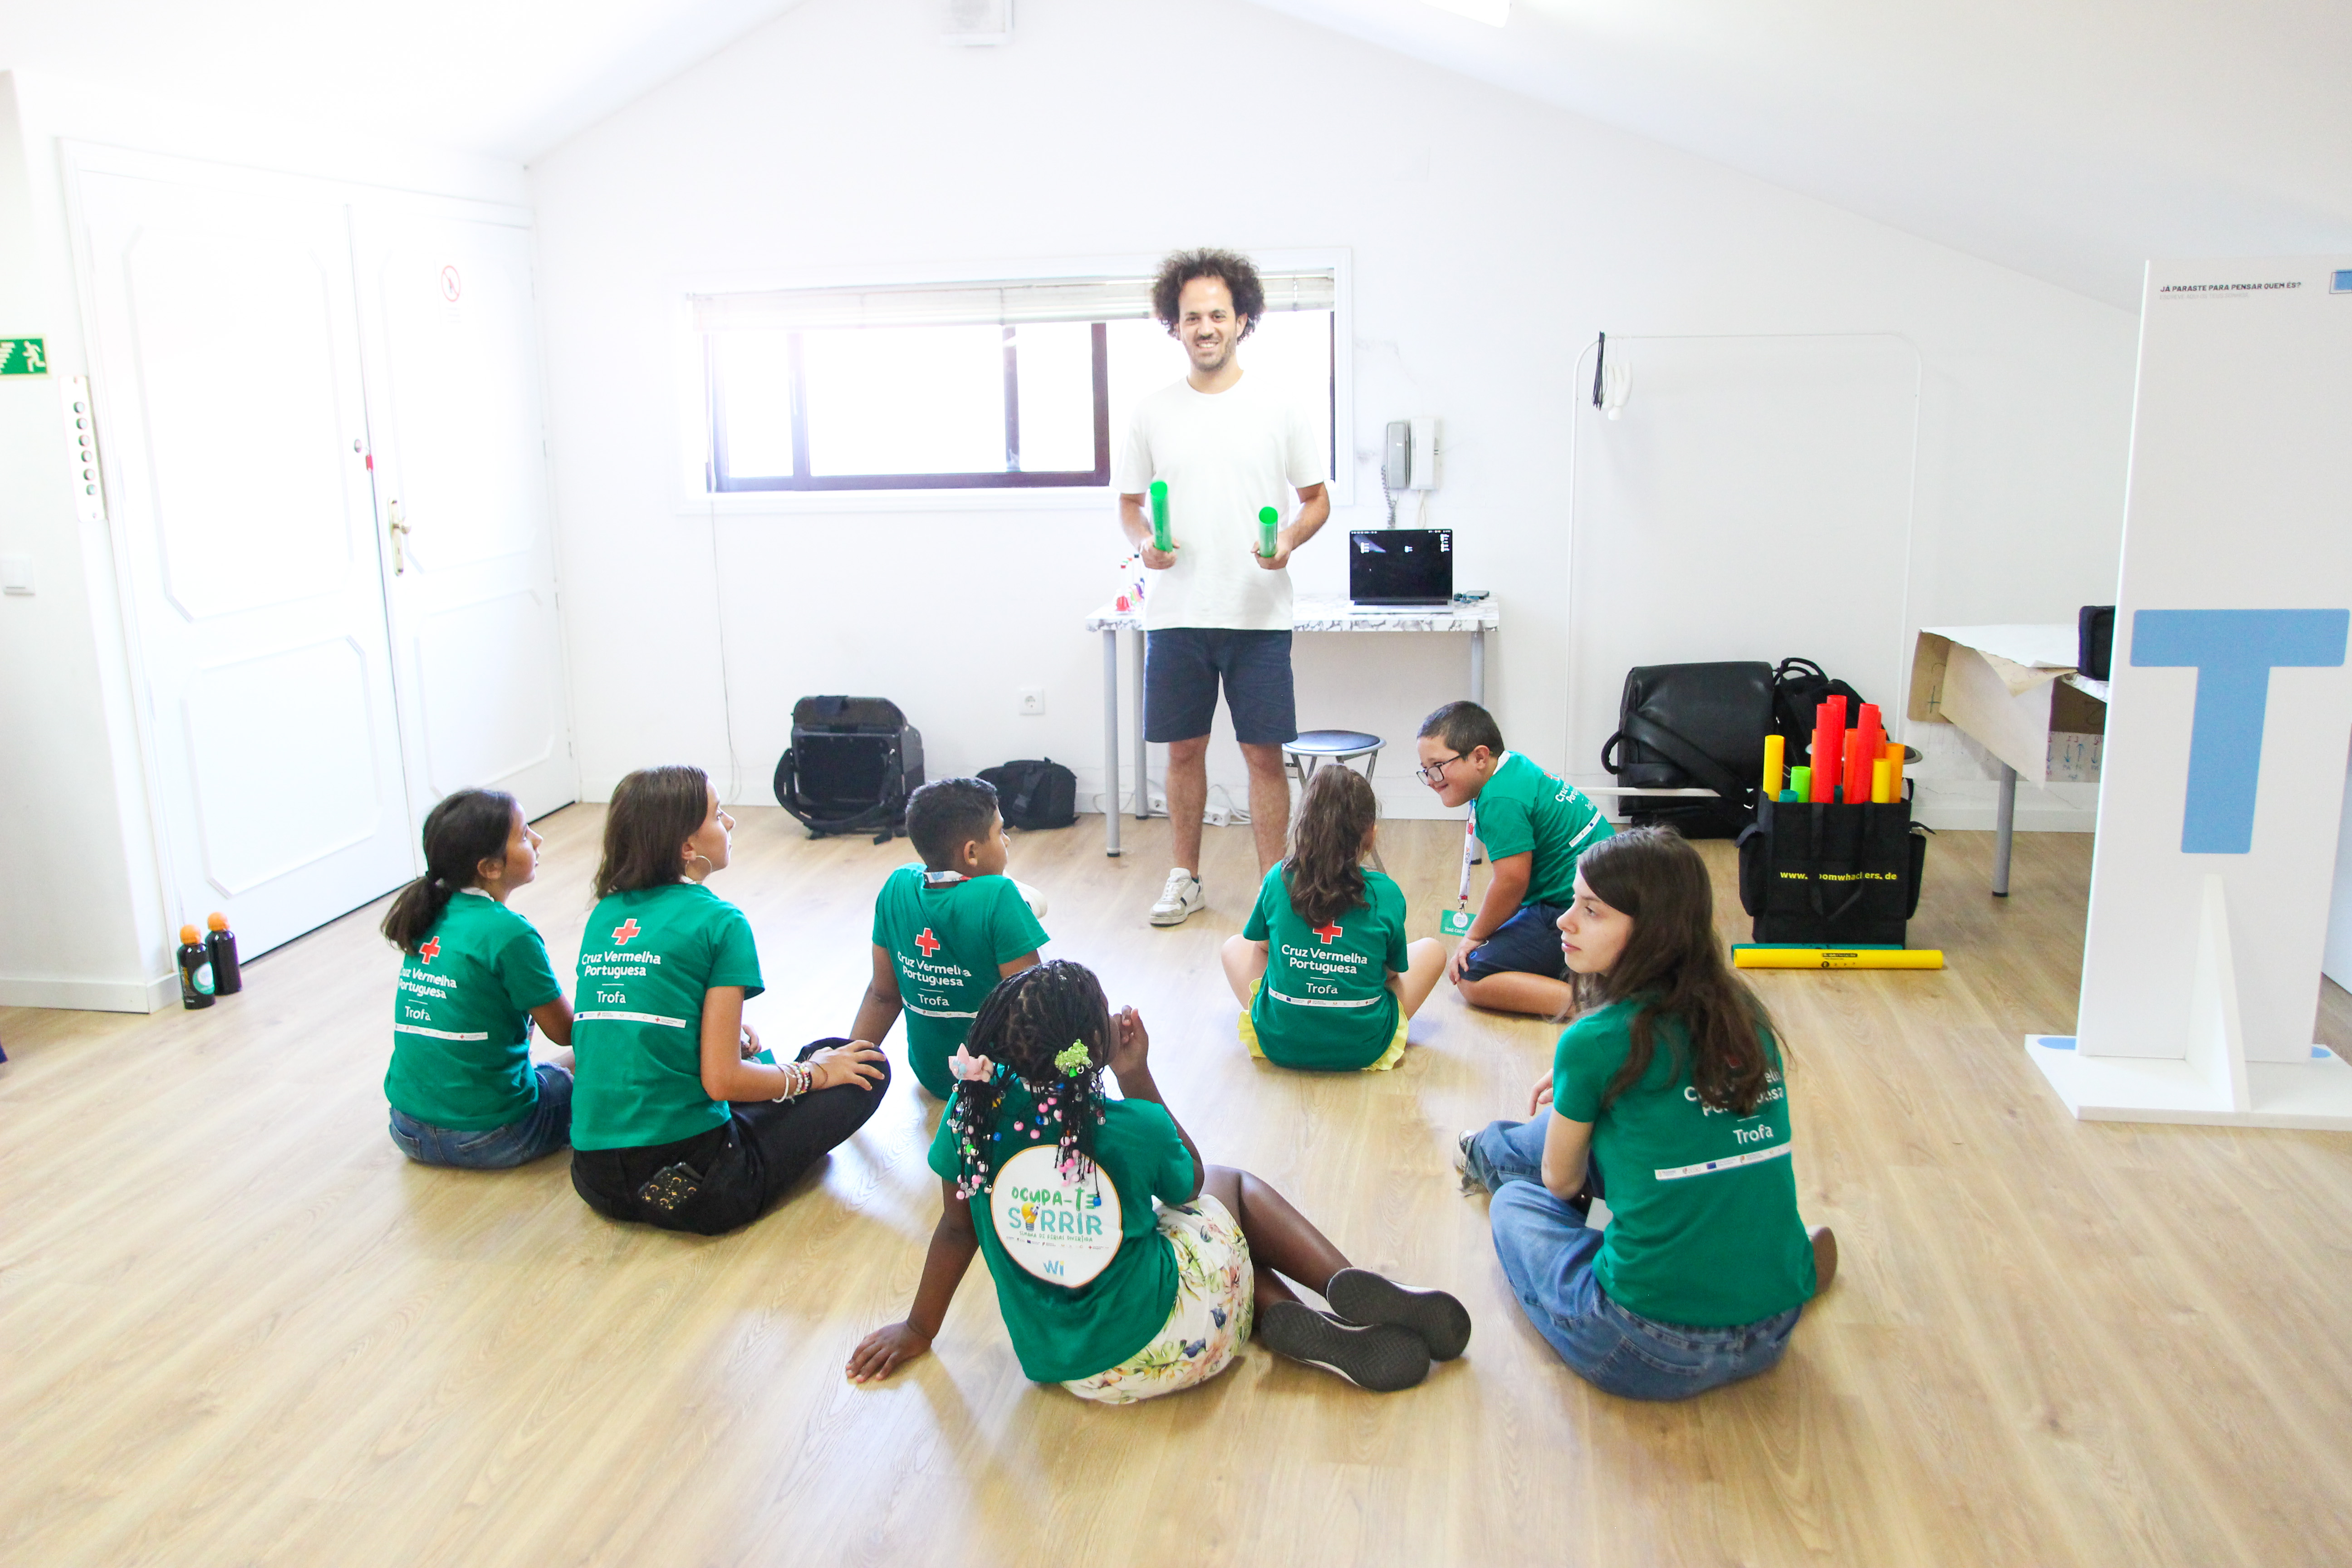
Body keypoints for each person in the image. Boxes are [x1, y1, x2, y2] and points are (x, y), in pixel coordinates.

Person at [845, 960, 1471, 1401]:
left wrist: (919, 1329)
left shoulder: (971, 1115)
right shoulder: (1126, 1126)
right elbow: (1189, 1183)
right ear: (1095, 1050)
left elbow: (958, 1232)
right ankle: (1342, 1283)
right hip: (1178, 1339)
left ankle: (1288, 1316)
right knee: (1230, 1186)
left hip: (1081, 1374)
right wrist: (1136, 1077)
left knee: (1206, 1242)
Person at [1454, 827, 1836, 1401]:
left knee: (1516, 1203)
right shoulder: (1746, 1017)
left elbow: (1560, 1183)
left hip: (1645, 1346)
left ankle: (1483, 1153)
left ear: (1653, 929)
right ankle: (1775, 1259)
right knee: (1635, 1140)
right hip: (1774, 1327)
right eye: (1573, 903)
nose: (1564, 922)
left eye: (1591, 911)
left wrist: (1579, 1089)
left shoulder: (1596, 1042)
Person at [568, 765, 890, 1235]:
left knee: (797, 1060)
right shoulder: (720, 922)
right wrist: (814, 1075)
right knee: (863, 1067)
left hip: (595, 1180)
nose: (731, 822)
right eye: (719, 815)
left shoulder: (606, 914)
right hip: (694, 1186)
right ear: (687, 847)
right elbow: (722, 1080)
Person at [1114, 247, 1330, 927]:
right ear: (1174, 325)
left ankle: (1274, 894)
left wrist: (1288, 540)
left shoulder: (1280, 406)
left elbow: (1316, 500)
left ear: (1241, 320)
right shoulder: (1152, 411)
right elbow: (1129, 506)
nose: (1205, 327)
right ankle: (1186, 878)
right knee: (1184, 751)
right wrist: (1144, 545)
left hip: (1257, 615)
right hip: (1176, 614)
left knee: (1264, 756)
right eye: (1191, 317)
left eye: (1217, 315)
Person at [380, 789, 575, 1168]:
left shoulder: (426, 914)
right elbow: (566, 1031)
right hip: (494, 1136)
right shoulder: (508, 933)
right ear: (490, 868)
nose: (537, 839)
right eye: (524, 834)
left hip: (406, 1130)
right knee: (599, 1064)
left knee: (555, 1066)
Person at [1219, 765, 1446, 1072]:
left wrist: (1304, 962)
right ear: (1371, 835)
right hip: (1364, 1046)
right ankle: (1348, 1026)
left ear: (1301, 826)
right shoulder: (1386, 892)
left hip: (1279, 1042)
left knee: (1234, 946)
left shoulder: (1278, 878)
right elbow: (1392, 974)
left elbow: (1262, 948)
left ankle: (1293, 1019)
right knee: (1433, 950)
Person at [850, 777, 1049, 1099]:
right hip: (998, 1080)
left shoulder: (897, 886)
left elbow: (882, 996)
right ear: (972, 853)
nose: (1007, 841)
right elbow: (1033, 1008)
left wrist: (847, 1062)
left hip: (932, 1075)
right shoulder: (999, 896)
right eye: (1000, 832)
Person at [1415, 700, 1613, 1018]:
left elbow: (1512, 882)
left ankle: (1597, 1006)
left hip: (1577, 910)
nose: (1431, 778)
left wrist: (1473, 936)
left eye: (1437, 765)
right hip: (1600, 901)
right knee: (1499, 931)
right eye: (1426, 770)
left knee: (1471, 975)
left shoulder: (1500, 799)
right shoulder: (1512, 768)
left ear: (1480, 757)